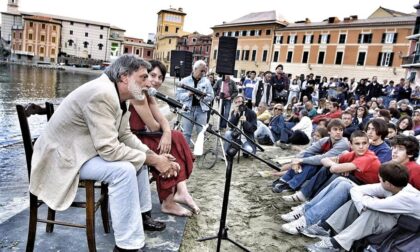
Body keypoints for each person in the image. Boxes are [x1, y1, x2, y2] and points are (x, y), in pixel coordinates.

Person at [29, 55, 181, 252]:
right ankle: (127, 246)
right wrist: (155, 160)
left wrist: (153, 156)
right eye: (143, 78)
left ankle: (142, 216)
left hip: (83, 150)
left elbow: (125, 136)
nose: (148, 84)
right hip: (63, 157)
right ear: (125, 76)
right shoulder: (101, 94)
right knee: (124, 170)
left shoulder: (121, 96)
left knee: (138, 159)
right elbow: (109, 149)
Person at [129, 60, 199, 217]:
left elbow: (162, 120)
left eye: (160, 77)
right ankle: (171, 200)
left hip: (144, 136)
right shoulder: (137, 93)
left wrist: (167, 132)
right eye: (152, 75)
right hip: (132, 140)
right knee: (174, 141)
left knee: (175, 136)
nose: (156, 80)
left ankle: (180, 192)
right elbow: (153, 125)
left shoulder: (148, 93)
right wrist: (166, 133)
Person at [281, 131, 381, 235]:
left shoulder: (368, 157)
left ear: (368, 144)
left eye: (364, 143)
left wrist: (339, 167)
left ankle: (307, 220)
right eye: (357, 144)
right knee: (340, 179)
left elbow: (334, 169)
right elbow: (325, 159)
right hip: (360, 188)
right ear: (351, 145)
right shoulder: (353, 154)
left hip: (371, 195)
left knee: (344, 183)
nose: (361, 147)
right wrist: (338, 166)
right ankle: (304, 209)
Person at [306, 162, 420, 251]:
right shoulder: (395, 185)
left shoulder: (406, 197)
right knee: (359, 202)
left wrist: (366, 202)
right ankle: (327, 227)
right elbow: (356, 190)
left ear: (388, 183)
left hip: (409, 228)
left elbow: (373, 204)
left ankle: (337, 244)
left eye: (380, 178)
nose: (379, 180)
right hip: (397, 218)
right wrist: (361, 204)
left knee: (373, 213)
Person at [272, 119, 350, 193]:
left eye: (341, 130)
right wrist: (295, 160)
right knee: (307, 155)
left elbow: (323, 158)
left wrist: (301, 160)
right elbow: (308, 150)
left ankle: (292, 185)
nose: (338, 132)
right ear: (329, 131)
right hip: (324, 165)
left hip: (335, 170)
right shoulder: (325, 140)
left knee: (312, 162)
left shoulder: (343, 143)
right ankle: (285, 180)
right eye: (335, 129)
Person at [176, 60, 214, 146]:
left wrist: (203, 97)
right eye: (201, 70)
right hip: (188, 110)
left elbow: (211, 96)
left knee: (201, 133)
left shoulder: (206, 81)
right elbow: (178, 96)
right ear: (195, 69)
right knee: (186, 133)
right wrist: (189, 94)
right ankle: (186, 153)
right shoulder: (184, 81)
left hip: (202, 110)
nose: (203, 73)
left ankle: (198, 151)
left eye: (204, 71)